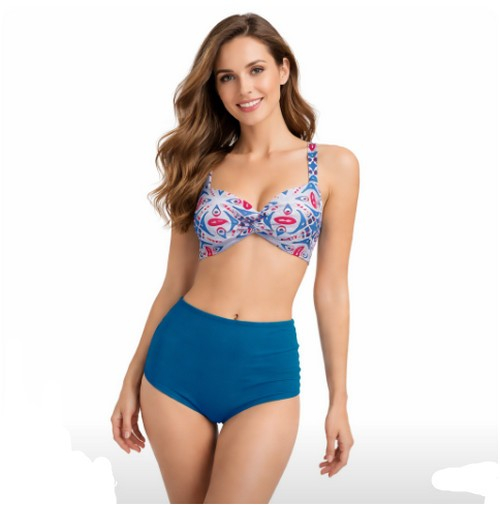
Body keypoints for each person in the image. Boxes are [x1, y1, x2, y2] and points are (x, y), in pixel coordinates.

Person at [111, 12, 359, 504]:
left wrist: (339, 401)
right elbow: (175, 282)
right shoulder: (200, 165)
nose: (244, 88)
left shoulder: (334, 166)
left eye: (256, 70)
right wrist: (130, 378)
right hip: (178, 363)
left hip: (265, 373)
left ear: (283, 70)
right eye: (227, 77)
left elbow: (331, 288)